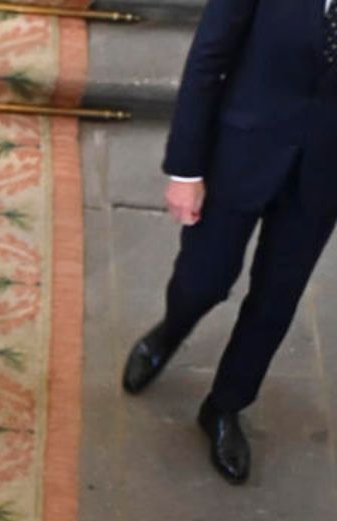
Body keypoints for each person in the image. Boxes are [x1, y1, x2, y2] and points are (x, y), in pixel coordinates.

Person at [119, 0, 337, 485]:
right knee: (203, 280)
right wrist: (186, 168)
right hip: (239, 154)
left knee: (276, 301)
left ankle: (224, 407)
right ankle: (171, 329)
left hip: (322, 177)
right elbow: (209, 57)